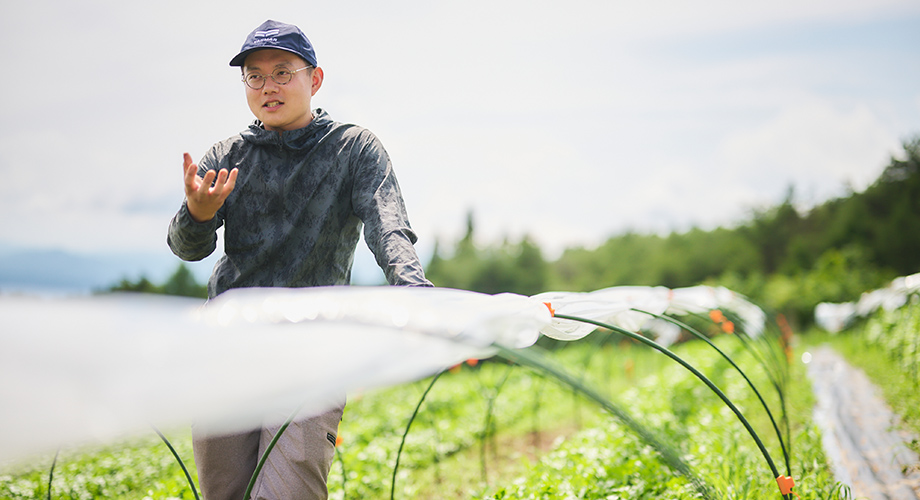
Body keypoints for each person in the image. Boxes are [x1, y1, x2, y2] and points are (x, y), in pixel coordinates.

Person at [167, 19, 432, 500]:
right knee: (223, 491)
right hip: (225, 351)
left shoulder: (352, 148)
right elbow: (188, 248)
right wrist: (198, 213)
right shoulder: (227, 156)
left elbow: (386, 223)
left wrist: (413, 290)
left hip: (313, 353)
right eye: (254, 76)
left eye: (283, 72)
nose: (268, 86)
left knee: (291, 490)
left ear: (315, 79)